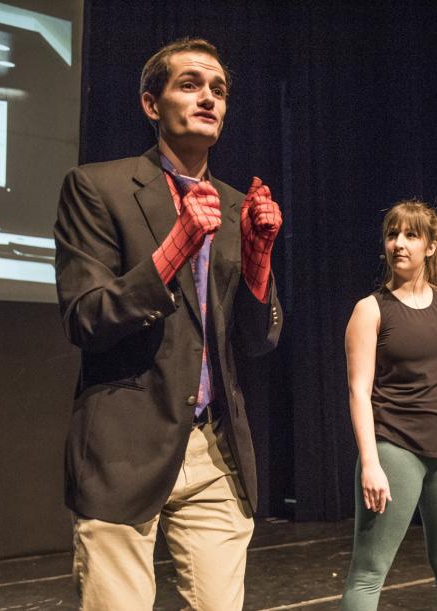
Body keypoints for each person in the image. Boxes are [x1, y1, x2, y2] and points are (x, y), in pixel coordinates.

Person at [54, 38, 282, 610]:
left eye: (219, 90)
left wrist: (258, 261)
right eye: (190, 84)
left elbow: (258, 340)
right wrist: (175, 248)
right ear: (151, 105)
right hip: (124, 444)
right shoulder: (97, 188)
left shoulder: (236, 207)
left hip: (213, 449)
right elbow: (86, 317)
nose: (208, 97)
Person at [340, 200, 437, 610]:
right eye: (392, 235)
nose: (399, 244)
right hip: (396, 447)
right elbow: (359, 392)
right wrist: (370, 461)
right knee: (369, 572)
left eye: (410, 235)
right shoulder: (370, 310)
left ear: (430, 246)